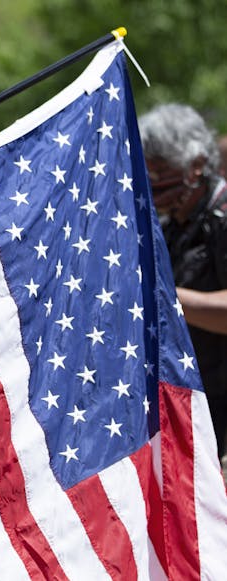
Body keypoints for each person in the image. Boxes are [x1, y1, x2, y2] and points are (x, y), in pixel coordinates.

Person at [138, 103, 227, 458]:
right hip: (186, 403)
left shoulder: (222, 218)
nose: (152, 184)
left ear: (196, 166)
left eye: (160, 171)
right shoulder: (171, 225)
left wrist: (165, 298)